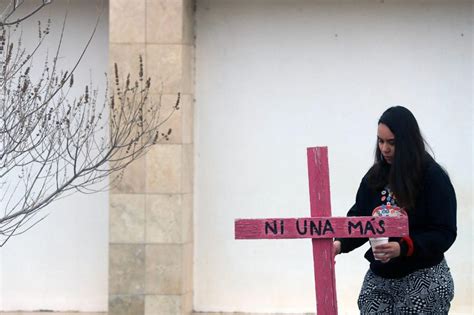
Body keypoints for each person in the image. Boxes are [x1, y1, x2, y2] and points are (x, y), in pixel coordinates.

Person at [333, 106, 456, 314]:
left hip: (424, 275)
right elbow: (360, 218)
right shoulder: (375, 177)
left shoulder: (433, 177)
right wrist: (339, 243)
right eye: (380, 141)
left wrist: (403, 248)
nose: (384, 149)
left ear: (408, 142)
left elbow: (444, 232)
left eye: (392, 142)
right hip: (381, 278)